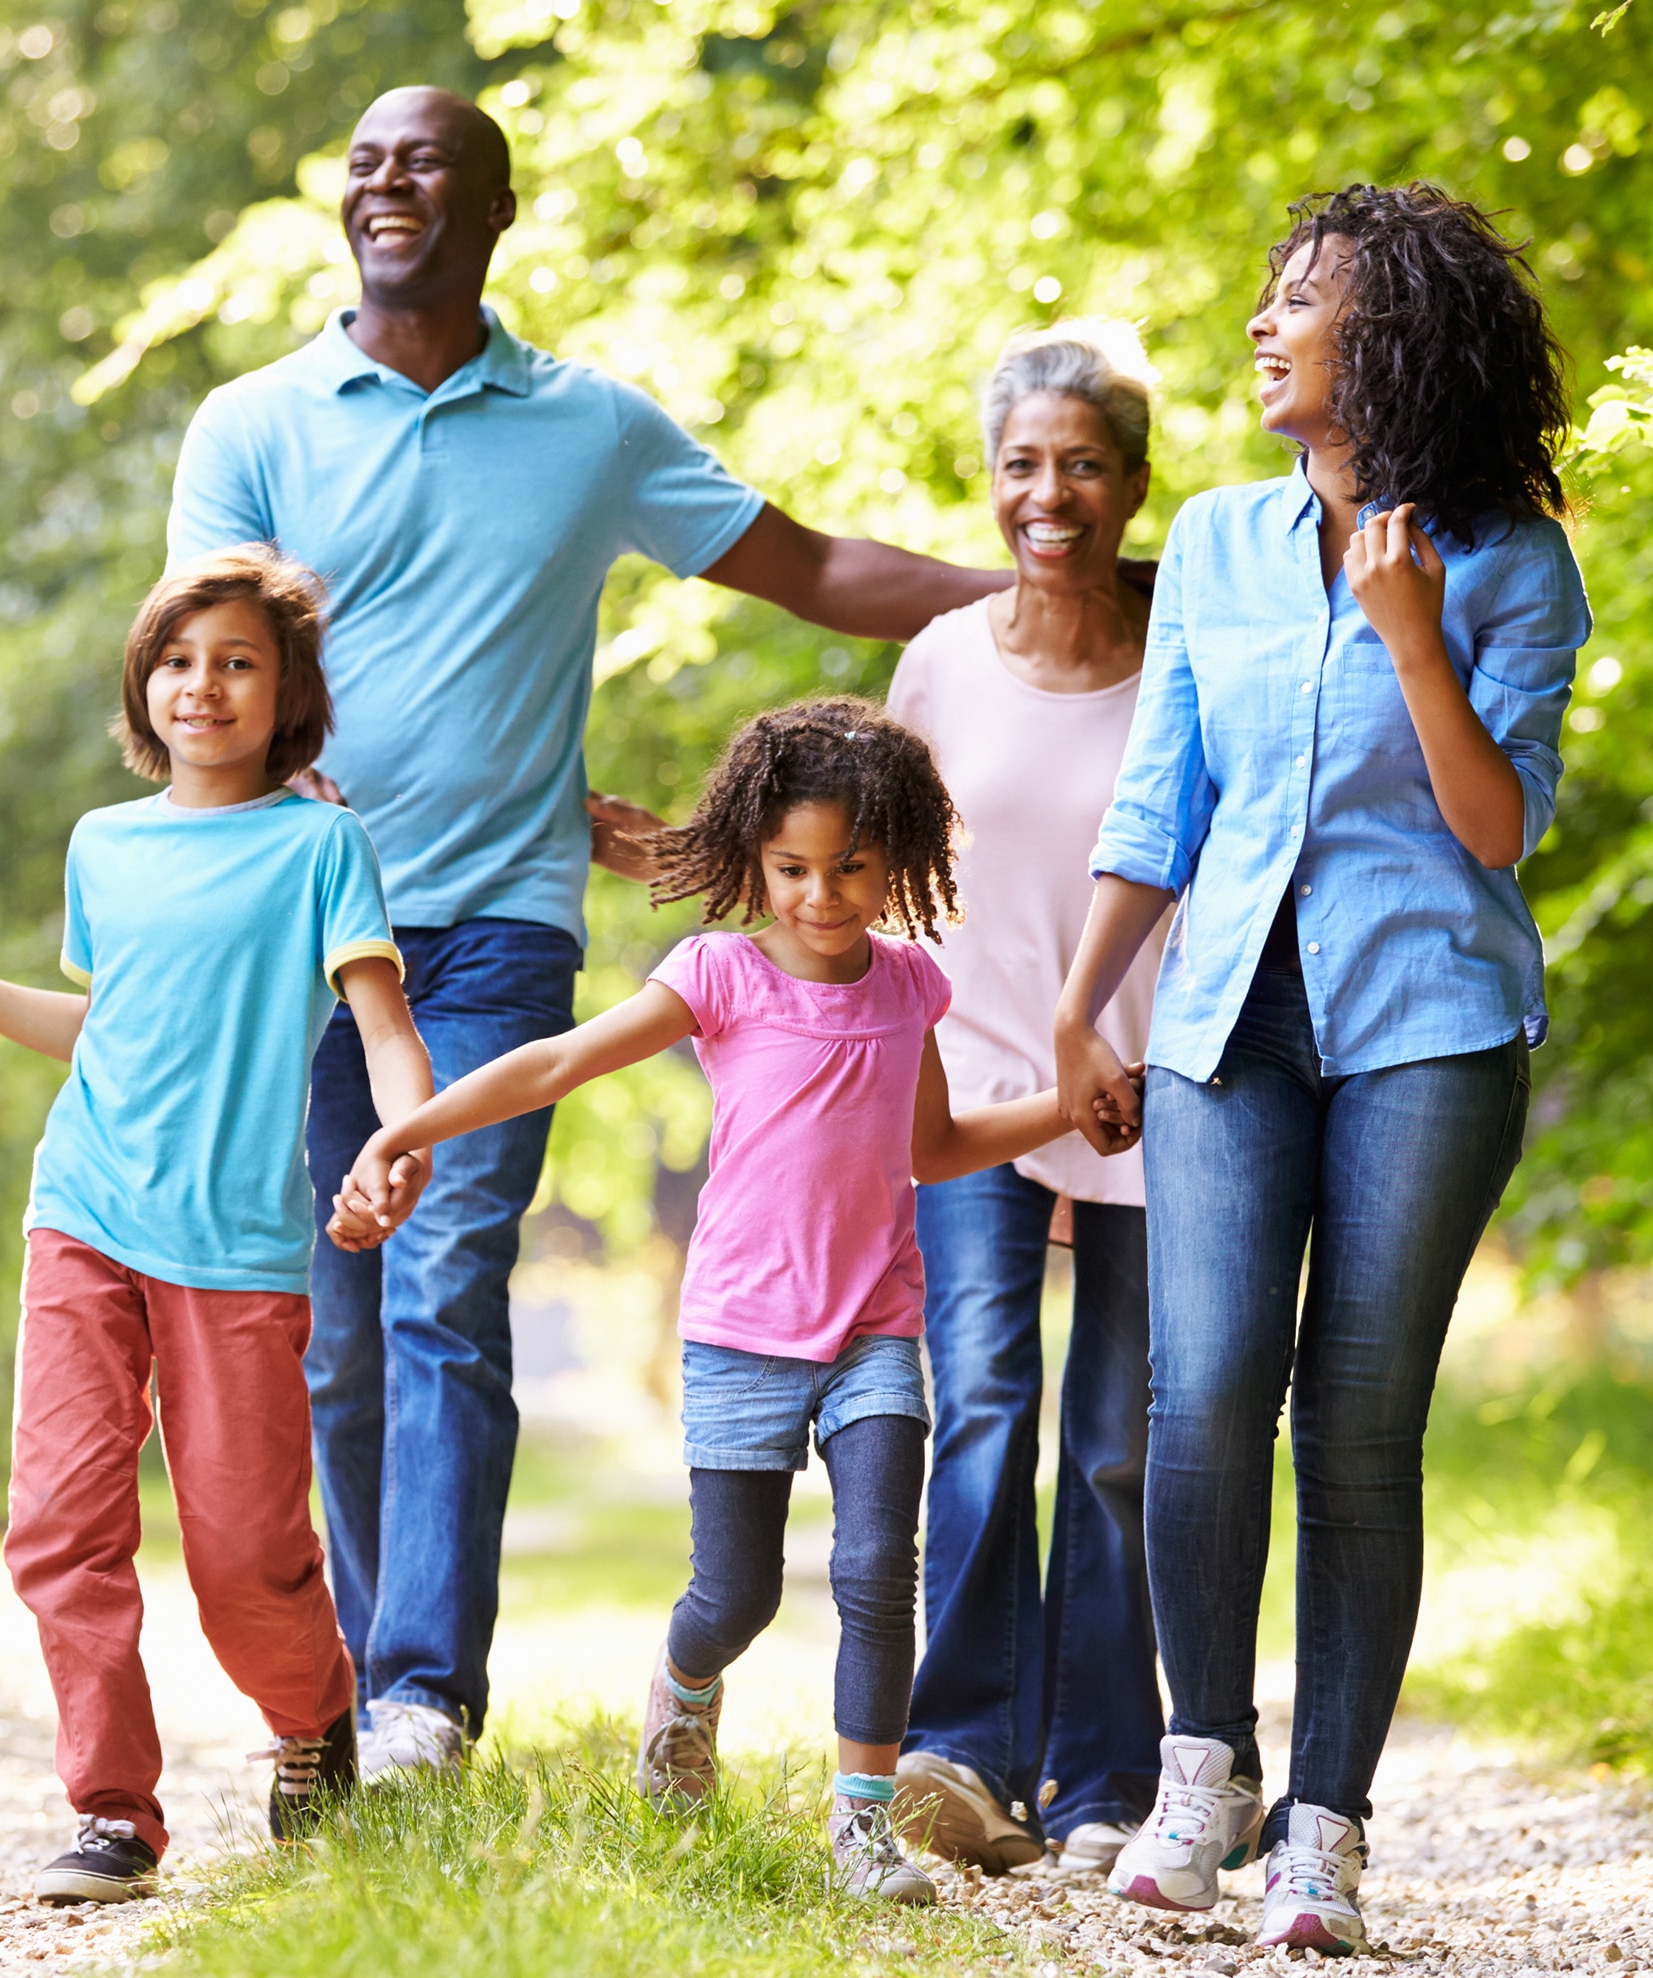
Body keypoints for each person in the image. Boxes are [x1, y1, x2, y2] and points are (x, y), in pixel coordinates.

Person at [169, 83, 1013, 1780]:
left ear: (494, 209)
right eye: (364, 162)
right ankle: (336, 1686)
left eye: (424, 163)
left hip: (490, 934)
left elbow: (813, 568)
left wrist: (1042, 595)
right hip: (294, 941)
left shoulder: (590, 428)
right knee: (334, 1320)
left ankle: (422, 1693)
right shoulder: (253, 424)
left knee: (446, 1270)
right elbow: (210, 672)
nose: (386, 183)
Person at [1052, 185, 1586, 1948]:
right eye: (1267, 300)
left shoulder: (1512, 557)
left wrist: (1418, 633)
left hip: (1428, 1024)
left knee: (1357, 1426)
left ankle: (1326, 1831)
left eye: (1303, 302)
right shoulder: (1209, 541)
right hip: (1224, 1024)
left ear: (1398, 337)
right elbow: (1163, 795)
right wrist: (1082, 1003)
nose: (1263, 327)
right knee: (1199, 1387)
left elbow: (1497, 830)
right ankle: (1201, 1762)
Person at [328, 699, 1075, 1905]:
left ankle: (862, 1826)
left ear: (898, 860)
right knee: (738, 1594)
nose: (820, 894)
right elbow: (561, 1059)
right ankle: (684, 1690)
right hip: (741, 1334)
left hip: (875, 1327)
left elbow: (933, 1144)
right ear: (753, 858)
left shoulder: (908, 989)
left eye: (850, 868)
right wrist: (410, 1122)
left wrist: (1063, 1107)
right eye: (791, 868)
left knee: (882, 1563)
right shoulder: (721, 973)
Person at [0, 548, 434, 1906]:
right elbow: (102, 1028)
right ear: (142, 683)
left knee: (244, 1557)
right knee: (59, 1524)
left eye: (236, 661)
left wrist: (397, 1145)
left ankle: (311, 1715)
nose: (202, 685)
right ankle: (113, 1810)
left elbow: (383, 1032)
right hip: (85, 1213)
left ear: (284, 691)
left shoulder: (318, 844)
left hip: (233, 1249)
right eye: (177, 660)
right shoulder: (101, 846)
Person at [877, 321, 1167, 1881]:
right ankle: (964, 1752)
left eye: (1078, 464)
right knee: (982, 1404)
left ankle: (1105, 1773)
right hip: (974, 1085)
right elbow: (876, 875)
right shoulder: (939, 662)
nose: (1045, 493)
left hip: (1143, 1084)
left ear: (1129, 483)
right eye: (1018, 465)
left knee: (1119, 1442)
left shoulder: (1183, 646)